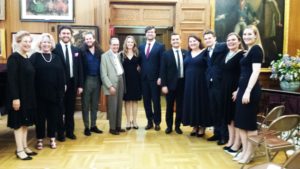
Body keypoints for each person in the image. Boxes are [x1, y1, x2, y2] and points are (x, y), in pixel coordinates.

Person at [232, 25, 263, 164]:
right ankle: (244, 151)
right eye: (244, 34)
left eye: (250, 34)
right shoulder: (249, 50)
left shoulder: (256, 49)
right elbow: (244, 74)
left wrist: (247, 91)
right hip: (243, 90)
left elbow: (255, 72)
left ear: (256, 36)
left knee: (249, 125)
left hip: (250, 92)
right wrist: (239, 90)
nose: (246, 36)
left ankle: (250, 154)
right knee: (241, 124)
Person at [30, 33, 65, 150]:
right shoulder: (34, 57)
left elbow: (61, 75)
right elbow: (30, 76)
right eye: (44, 42)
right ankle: (39, 139)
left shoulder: (56, 57)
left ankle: (52, 138)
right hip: (38, 94)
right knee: (39, 118)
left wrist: (61, 91)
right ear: (40, 43)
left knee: (53, 117)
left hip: (54, 94)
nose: (46, 44)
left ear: (51, 44)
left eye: (48, 42)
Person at [7, 30, 37, 160]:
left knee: (25, 123)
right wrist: (15, 98)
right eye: (25, 41)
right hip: (19, 97)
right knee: (18, 124)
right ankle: (19, 150)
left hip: (28, 96)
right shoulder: (14, 58)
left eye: (29, 42)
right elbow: (11, 80)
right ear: (18, 42)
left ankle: (25, 146)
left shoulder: (27, 57)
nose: (28, 44)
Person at [53, 25, 83, 141]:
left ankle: (70, 132)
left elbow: (79, 68)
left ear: (71, 35)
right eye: (63, 33)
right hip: (59, 85)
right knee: (60, 110)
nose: (66, 35)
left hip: (72, 83)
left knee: (70, 109)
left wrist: (80, 85)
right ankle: (60, 133)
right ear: (60, 35)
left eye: (68, 33)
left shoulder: (76, 50)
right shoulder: (55, 49)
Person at [182, 35, 212, 137]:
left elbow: (210, 67)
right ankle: (195, 126)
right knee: (192, 103)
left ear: (199, 42)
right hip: (189, 83)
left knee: (201, 104)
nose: (192, 43)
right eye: (190, 41)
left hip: (201, 83)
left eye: (194, 41)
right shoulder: (187, 53)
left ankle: (202, 127)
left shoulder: (205, 52)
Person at [203, 30, 229, 145]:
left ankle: (224, 136)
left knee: (222, 110)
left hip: (221, 84)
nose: (208, 40)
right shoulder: (206, 51)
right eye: (206, 38)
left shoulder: (222, 46)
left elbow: (234, 49)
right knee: (214, 110)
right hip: (210, 84)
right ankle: (217, 133)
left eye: (209, 38)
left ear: (214, 38)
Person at [220, 33, 244, 154]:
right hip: (225, 89)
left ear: (239, 41)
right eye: (228, 40)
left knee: (235, 117)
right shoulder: (227, 54)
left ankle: (237, 143)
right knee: (228, 116)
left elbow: (243, 75)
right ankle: (231, 140)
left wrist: (238, 90)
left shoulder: (242, 55)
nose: (230, 42)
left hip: (235, 90)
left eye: (233, 40)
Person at [138, 26, 165, 131]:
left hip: (155, 79)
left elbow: (162, 63)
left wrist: (160, 77)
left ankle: (157, 122)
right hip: (144, 79)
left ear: (155, 34)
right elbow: (140, 62)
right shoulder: (141, 47)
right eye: (148, 32)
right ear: (145, 34)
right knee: (146, 102)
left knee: (156, 101)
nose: (150, 34)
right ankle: (149, 121)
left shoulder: (160, 46)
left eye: (152, 32)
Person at [160, 33, 187, 134]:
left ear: (180, 40)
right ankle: (169, 126)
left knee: (180, 106)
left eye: (177, 39)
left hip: (182, 84)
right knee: (169, 107)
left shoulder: (186, 53)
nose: (175, 41)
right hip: (170, 85)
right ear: (171, 42)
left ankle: (177, 126)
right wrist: (164, 85)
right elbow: (162, 71)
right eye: (173, 40)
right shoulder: (166, 54)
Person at [101, 37, 125, 135]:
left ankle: (118, 126)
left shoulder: (119, 55)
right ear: (110, 45)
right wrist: (110, 86)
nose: (116, 46)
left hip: (120, 81)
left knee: (119, 105)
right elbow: (103, 74)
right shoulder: (104, 56)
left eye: (117, 45)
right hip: (112, 84)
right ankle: (112, 128)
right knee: (112, 106)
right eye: (114, 45)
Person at [81, 32, 103, 136]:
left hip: (97, 80)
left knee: (95, 104)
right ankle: (86, 127)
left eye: (90, 38)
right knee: (85, 105)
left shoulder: (99, 51)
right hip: (87, 80)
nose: (89, 40)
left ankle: (93, 125)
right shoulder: (82, 51)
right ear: (85, 41)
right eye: (87, 39)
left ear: (94, 39)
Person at [120, 35, 141, 130]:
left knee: (135, 101)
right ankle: (128, 121)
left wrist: (140, 69)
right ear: (125, 43)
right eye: (128, 42)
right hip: (125, 81)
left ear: (134, 44)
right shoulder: (121, 54)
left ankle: (135, 121)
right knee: (127, 101)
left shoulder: (138, 54)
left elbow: (141, 67)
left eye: (131, 42)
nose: (130, 44)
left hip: (136, 80)